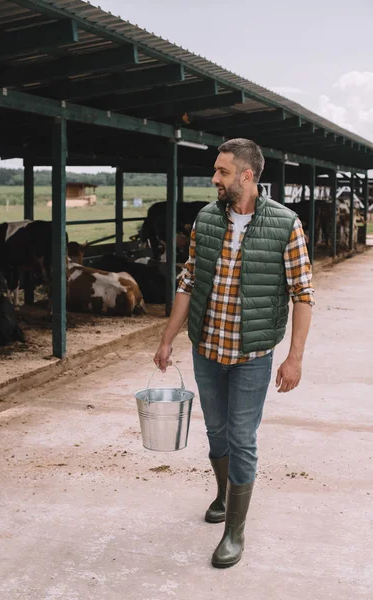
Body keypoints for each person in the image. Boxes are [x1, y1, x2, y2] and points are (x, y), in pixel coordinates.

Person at [153, 138, 314, 569]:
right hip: (206, 348)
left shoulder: (286, 224)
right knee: (217, 431)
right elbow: (188, 282)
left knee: (242, 438)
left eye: (222, 172)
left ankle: (234, 532)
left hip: (253, 355)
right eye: (215, 170)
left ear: (246, 175)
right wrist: (168, 338)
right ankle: (224, 496)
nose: (214, 179)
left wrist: (294, 357)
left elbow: (302, 293)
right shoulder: (207, 219)